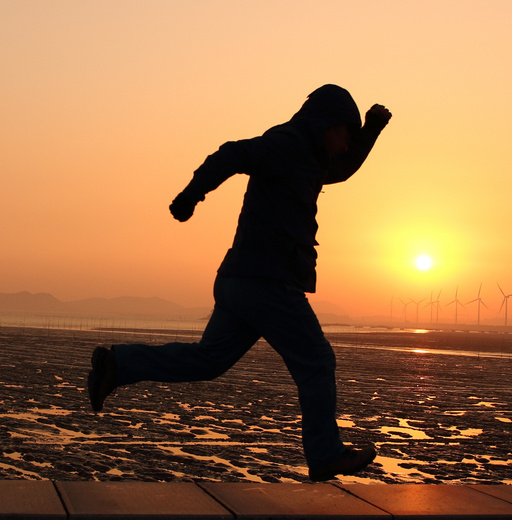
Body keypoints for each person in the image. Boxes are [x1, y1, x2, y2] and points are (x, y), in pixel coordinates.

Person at [87, 84, 392, 481]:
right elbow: (233, 153)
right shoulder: (286, 145)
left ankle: (117, 363)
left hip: (240, 280)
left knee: (208, 360)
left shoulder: (310, 157)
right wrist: (191, 195)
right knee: (317, 361)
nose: (346, 144)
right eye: (345, 134)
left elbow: (342, 169)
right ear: (327, 125)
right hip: (267, 280)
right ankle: (325, 454)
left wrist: (369, 133)